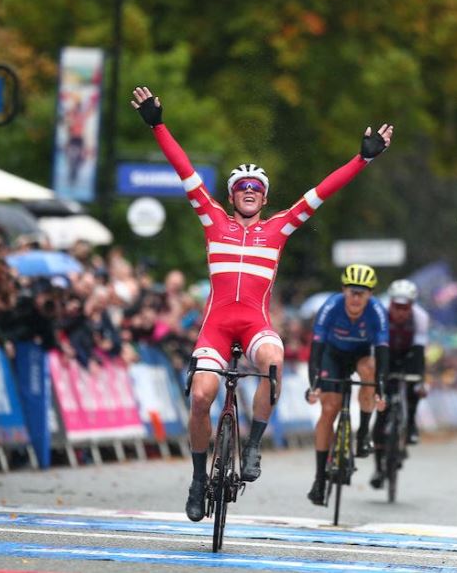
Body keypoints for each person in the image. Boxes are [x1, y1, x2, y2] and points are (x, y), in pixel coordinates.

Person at [130, 85, 393, 522]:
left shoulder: (279, 228)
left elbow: (321, 192)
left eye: (257, 186)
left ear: (265, 197)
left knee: (272, 356)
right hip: (216, 327)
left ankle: (252, 448)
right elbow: (185, 171)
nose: (249, 190)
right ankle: (199, 479)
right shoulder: (212, 222)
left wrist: (362, 159)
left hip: (254, 325)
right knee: (202, 396)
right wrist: (158, 125)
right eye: (241, 186)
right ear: (231, 196)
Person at [305, 264, 390, 505]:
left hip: (362, 354)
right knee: (329, 409)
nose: (356, 297)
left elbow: (383, 354)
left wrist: (380, 389)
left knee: (370, 370)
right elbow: (316, 349)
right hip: (332, 354)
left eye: (361, 293)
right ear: (343, 290)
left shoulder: (377, 311)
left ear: (370, 295)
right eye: (352, 291)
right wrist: (315, 384)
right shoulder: (330, 307)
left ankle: (363, 433)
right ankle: (320, 479)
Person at [369, 278, 429, 490]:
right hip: (386, 354)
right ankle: (378, 468)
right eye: (397, 306)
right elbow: (374, 349)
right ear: (390, 303)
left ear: (412, 306)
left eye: (405, 307)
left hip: (409, 356)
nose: (401, 312)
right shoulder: (381, 315)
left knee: (414, 388)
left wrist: (420, 380)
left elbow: (420, 353)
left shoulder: (421, 318)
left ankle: (411, 423)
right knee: (382, 409)